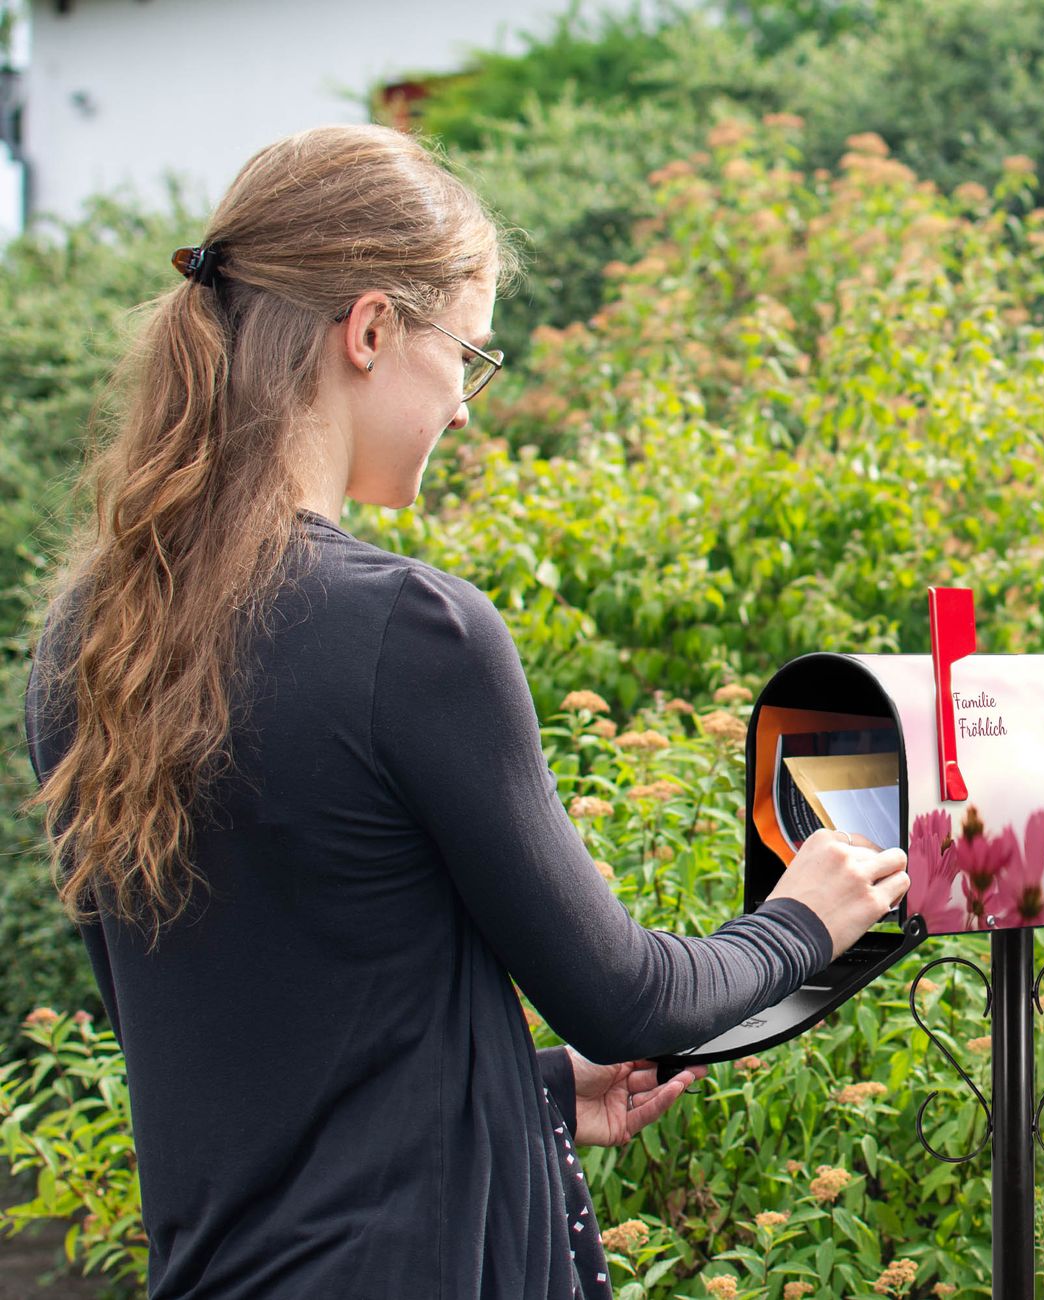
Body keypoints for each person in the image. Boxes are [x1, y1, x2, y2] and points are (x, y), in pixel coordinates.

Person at [21, 124, 909, 1300]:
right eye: (467, 356)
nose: (465, 409)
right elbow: (628, 996)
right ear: (370, 329)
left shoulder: (87, 640)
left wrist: (527, 1089)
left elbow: (241, 1047)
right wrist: (802, 920)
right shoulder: (405, 630)